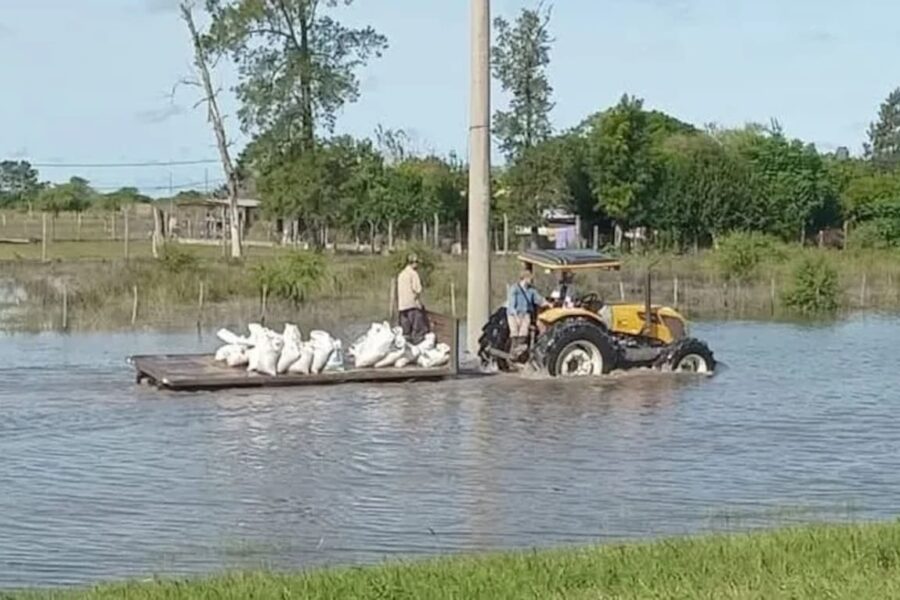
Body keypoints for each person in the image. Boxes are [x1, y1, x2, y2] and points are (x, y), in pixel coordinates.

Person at [506, 269, 550, 359]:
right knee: (514, 332)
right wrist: (515, 315)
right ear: (525, 278)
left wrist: (548, 303)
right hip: (514, 314)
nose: (531, 281)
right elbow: (511, 304)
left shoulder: (531, 290)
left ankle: (519, 350)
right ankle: (514, 350)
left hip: (525, 313)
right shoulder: (515, 288)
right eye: (530, 279)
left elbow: (538, 299)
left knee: (523, 332)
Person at [397, 253, 430, 344]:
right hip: (412, 305)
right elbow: (418, 289)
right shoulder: (413, 274)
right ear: (414, 263)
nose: (418, 265)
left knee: (406, 333)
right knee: (419, 331)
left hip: (402, 306)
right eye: (417, 263)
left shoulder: (401, 274)